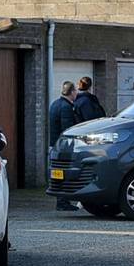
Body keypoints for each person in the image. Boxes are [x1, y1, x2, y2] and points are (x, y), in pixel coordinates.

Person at [49, 81, 81, 211]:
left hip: (55, 145)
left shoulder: (55, 104)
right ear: (72, 92)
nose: (76, 94)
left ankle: (61, 201)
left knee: (58, 175)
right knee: (65, 174)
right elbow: (67, 129)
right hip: (64, 147)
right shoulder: (66, 107)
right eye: (75, 91)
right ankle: (63, 202)